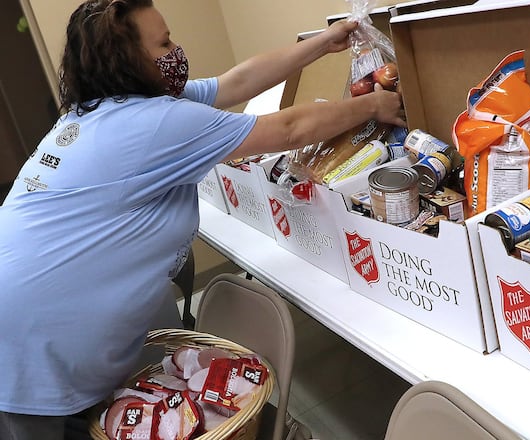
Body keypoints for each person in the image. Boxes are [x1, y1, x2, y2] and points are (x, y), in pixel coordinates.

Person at [0, 0, 406, 438]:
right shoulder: (153, 123)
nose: (177, 48)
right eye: (164, 42)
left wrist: (323, 43)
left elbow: (237, 82)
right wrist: (373, 107)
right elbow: (287, 129)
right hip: (32, 339)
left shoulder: (106, 111)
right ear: (128, 60)